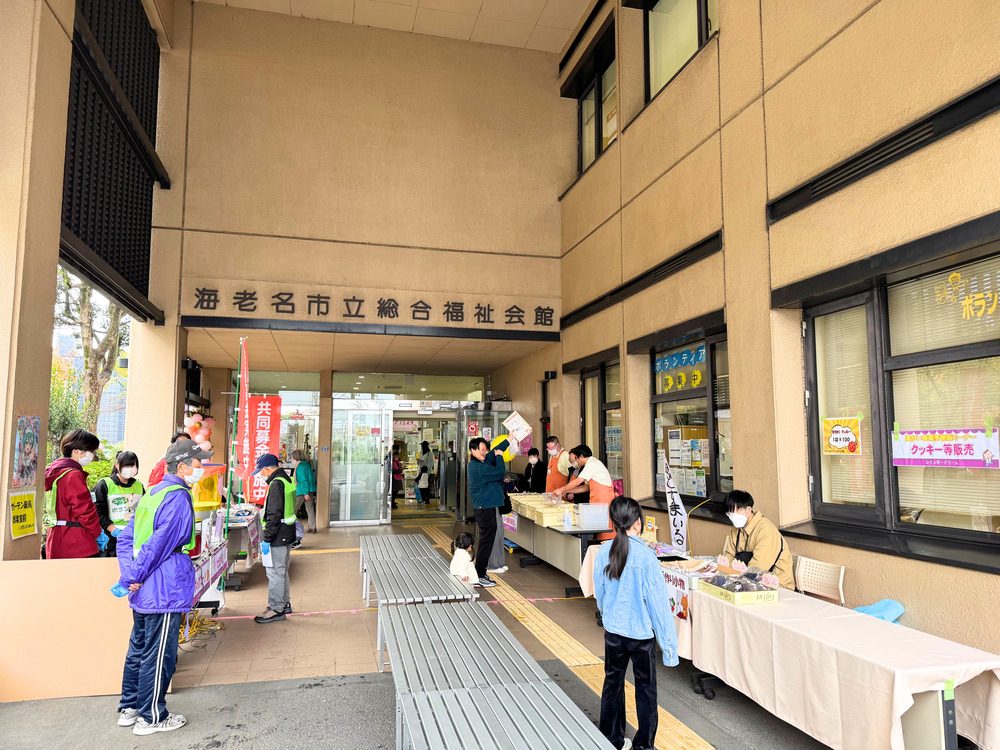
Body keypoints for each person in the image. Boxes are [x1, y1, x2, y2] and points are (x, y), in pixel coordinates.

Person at [112, 440, 209, 735]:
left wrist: (129, 574)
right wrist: (133, 575)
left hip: (143, 587)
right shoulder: (178, 497)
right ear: (182, 467)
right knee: (159, 654)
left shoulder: (152, 493)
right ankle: (152, 716)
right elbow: (159, 544)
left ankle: (130, 708)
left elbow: (126, 539)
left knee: (139, 649)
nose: (201, 468)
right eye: (198, 463)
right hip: (163, 587)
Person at [594, 497, 678, 750]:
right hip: (641, 635)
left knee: (612, 684)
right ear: (638, 523)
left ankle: (612, 740)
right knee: (646, 690)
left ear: (612, 522)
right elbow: (659, 607)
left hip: (614, 631)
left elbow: (600, 594)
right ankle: (644, 745)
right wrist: (669, 649)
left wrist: (607, 614)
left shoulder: (603, 551)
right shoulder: (646, 557)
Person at [44, 429, 107, 559]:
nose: (93, 455)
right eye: (91, 451)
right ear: (77, 451)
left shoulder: (55, 472)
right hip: (77, 542)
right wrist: (97, 533)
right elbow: (85, 511)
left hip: (56, 538)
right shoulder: (73, 475)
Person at [253, 453, 297, 623]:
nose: (260, 474)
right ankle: (285, 603)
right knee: (282, 570)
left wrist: (267, 538)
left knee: (274, 573)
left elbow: (273, 514)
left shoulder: (276, 483)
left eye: (260, 471)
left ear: (266, 469)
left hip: (277, 535)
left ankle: (276, 608)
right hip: (287, 533)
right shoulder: (286, 479)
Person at [721, 489, 794, 590]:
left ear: (748, 510)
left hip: (776, 586)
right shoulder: (736, 529)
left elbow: (758, 568)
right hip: (746, 581)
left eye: (736, 511)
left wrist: (738, 579)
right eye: (730, 513)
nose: (732, 516)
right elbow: (728, 556)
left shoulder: (765, 529)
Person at [467, 436, 513, 588]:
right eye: (482, 450)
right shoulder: (478, 467)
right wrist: (500, 457)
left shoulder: (481, 461)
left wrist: (509, 440)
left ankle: (480, 573)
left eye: (485, 449)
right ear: (473, 450)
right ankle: (479, 575)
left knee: (487, 541)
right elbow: (499, 472)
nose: (485, 452)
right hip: (485, 509)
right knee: (486, 542)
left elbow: (493, 452)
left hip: (487, 507)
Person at [552, 445, 615, 539]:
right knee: (599, 530)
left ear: (581, 456)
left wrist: (561, 489)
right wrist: (568, 490)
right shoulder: (591, 464)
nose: (576, 461)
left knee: (605, 531)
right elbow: (586, 487)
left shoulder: (592, 464)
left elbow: (577, 481)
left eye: (576, 458)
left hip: (603, 501)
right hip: (597, 502)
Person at [95, 451, 145, 556]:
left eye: (133, 466)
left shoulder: (138, 485)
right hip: (112, 537)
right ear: (117, 465)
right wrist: (114, 530)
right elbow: (98, 512)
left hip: (134, 537)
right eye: (126, 465)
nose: (130, 469)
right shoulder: (104, 484)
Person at [291, 450, 317, 534]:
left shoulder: (300, 467)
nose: (292, 459)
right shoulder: (307, 465)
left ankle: (289, 527)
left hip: (302, 491)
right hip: (310, 489)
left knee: (293, 509)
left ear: (296, 457)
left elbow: (304, 480)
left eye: (293, 457)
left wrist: (305, 493)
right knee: (310, 509)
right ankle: (312, 527)